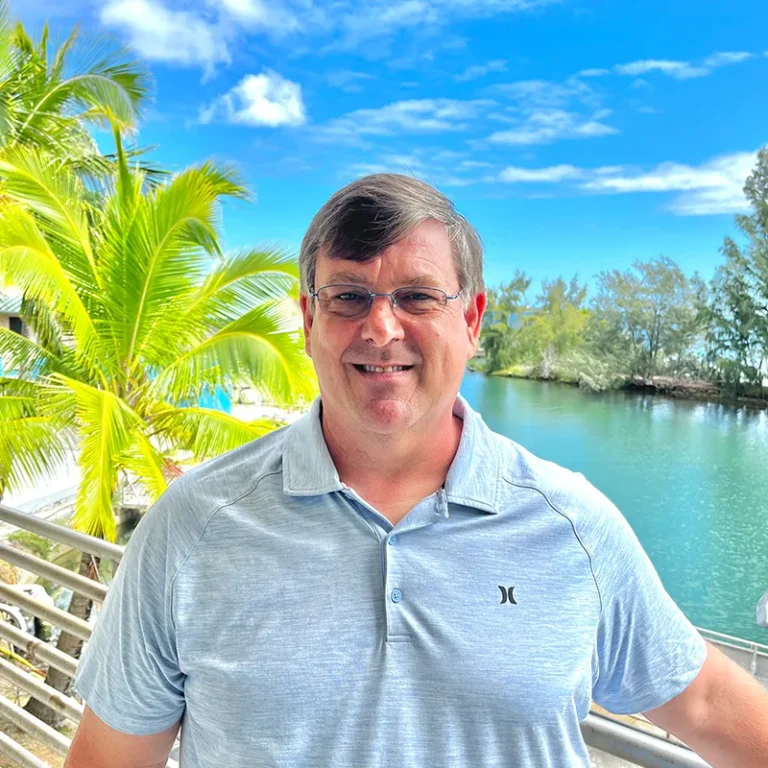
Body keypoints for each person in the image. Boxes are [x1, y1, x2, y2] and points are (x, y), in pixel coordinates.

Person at [65, 174, 768, 768]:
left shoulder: (573, 526)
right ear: (307, 320)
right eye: (348, 297)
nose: (381, 328)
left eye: (418, 297)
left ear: (472, 320)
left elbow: (707, 702)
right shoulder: (192, 527)